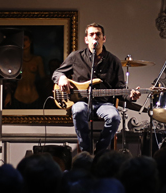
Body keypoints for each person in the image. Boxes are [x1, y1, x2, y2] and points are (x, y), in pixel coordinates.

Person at [52, 23, 139, 154]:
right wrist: (62, 78)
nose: (95, 37)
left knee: (114, 117)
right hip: (82, 102)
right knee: (78, 110)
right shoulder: (76, 57)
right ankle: (86, 150)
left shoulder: (113, 61)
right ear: (86, 39)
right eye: (91, 35)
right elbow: (56, 73)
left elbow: (121, 88)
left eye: (98, 34)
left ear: (104, 38)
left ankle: (100, 151)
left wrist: (130, 96)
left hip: (104, 103)